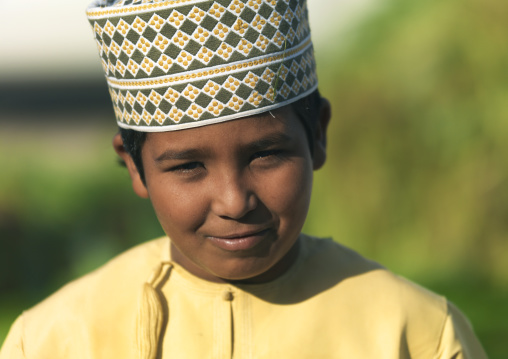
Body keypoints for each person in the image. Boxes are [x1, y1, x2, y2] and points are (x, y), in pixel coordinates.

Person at [0, 0, 488, 358]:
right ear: (135, 166)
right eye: (188, 167)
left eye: (267, 154)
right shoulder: (55, 339)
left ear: (317, 137)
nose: (234, 201)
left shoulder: (417, 333)